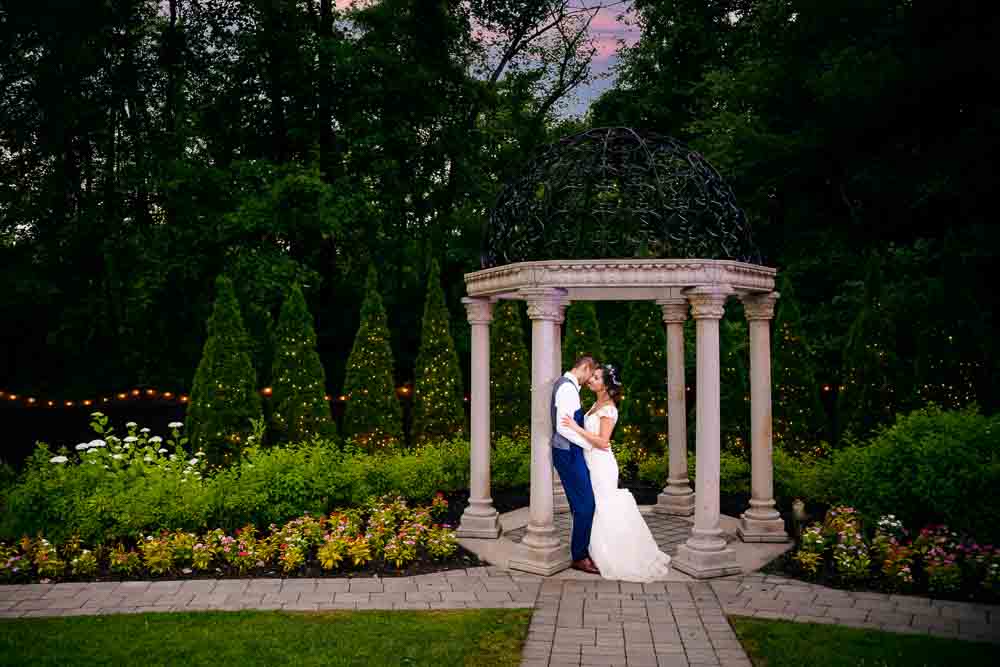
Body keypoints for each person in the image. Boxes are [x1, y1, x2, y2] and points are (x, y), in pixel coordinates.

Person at [560, 363, 672, 582]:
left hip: (601, 464)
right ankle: (593, 549)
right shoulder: (596, 403)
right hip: (589, 460)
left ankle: (615, 554)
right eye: (592, 377)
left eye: (597, 378)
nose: (591, 380)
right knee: (594, 506)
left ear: (607, 386)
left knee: (602, 506)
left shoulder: (609, 409)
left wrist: (576, 428)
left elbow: (603, 442)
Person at [550, 355, 600, 574]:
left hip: (569, 451)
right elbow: (563, 427)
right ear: (585, 368)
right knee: (586, 504)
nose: (590, 380)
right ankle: (579, 556)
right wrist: (589, 444)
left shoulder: (567, 386)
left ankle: (581, 548)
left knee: (579, 504)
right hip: (569, 452)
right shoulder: (568, 389)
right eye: (591, 374)